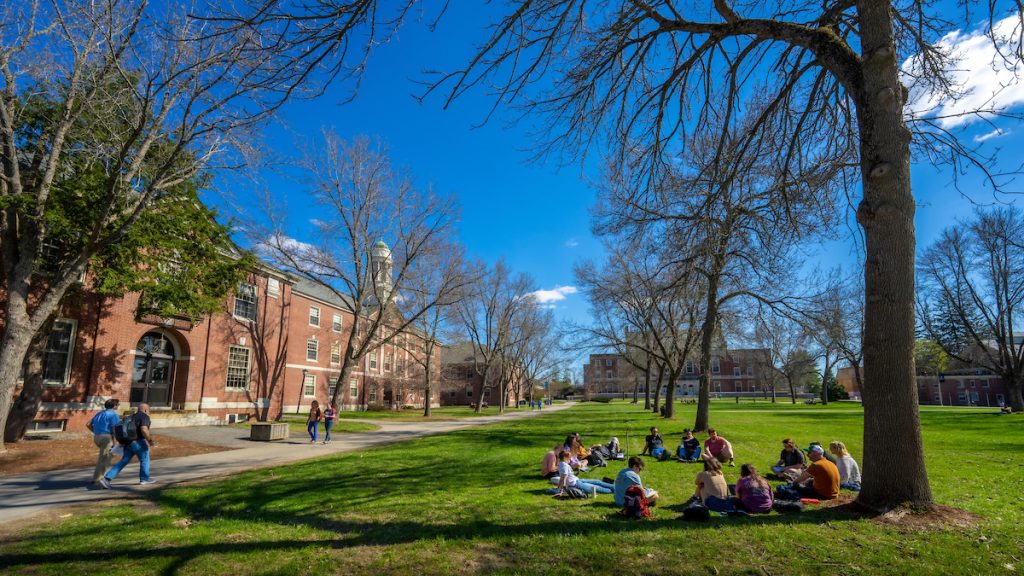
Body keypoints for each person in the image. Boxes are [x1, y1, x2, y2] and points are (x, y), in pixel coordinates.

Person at [98, 403, 155, 487]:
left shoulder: (131, 417)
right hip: (138, 442)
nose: (148, 412)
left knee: (123, 461)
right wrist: (150, 440)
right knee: (145, 459)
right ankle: (144, 479)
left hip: (128, 442)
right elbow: (144, 429)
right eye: (148, 410)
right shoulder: (144, 416)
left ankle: (106, 478)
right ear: (146, 410)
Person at [86, 399, 121, 485]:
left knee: (103, 458)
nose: (118, 406)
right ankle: (98, 479)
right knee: (105, 459)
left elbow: (88, 424)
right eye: (117, 405)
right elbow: (114, 429)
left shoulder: (99, 413)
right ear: (114, 406)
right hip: (107, 438)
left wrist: (95, 431)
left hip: (97, 437)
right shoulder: (113, 415)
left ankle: (98, 477)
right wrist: (115, 441)